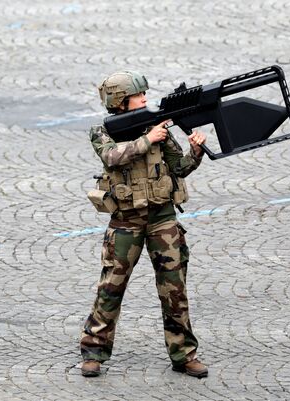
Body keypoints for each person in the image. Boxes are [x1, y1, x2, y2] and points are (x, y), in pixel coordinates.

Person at [80, 71, 208, 378]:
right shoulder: (102, 131)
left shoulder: (158, 127)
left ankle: (184, 354)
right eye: (140, 96)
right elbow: (111, 157)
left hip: (162, 218)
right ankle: (94, 350)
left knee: (174, 288)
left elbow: (178, 166)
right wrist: (146, 139)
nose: (145, 99)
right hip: (126, 221)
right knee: (111, 287)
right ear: (121, 102)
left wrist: (196, 151)